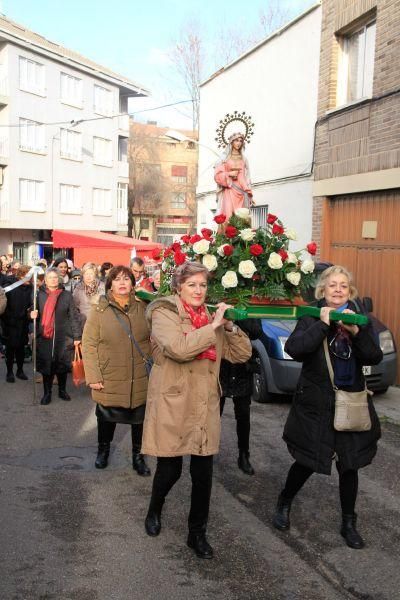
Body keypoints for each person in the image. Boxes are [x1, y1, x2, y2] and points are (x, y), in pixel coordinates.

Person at [142, 261, 252, 559]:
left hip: (205, 404)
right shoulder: (164, 312)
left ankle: (197, 534)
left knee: (203, 474)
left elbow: (242, 354)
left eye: (203, 285)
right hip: (174, 401)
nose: (198, 290)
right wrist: (212, 327)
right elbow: (178, 348)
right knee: (171, 470)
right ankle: (155, 509)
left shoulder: (211, 317)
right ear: (179, 287)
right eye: (192, 285)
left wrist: (229, 326)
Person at [273, 265, 383, 549]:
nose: (337, 289)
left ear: (350, 291)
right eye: (332, 285)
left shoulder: (359, 317)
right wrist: (323, 324)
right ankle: (285, 500)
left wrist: (356, 331)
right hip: (317, 403)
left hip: (351, 402)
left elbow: (374, 355)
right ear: (323, 289)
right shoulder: (311, 316)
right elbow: (294, 349)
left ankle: (349, 523)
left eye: (343, 286)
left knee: (350, 465)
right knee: (308, 460)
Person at [82, 265, 151, 476]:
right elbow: (89, 344)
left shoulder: (144, 307)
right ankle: (103, 451)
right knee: (106, 417)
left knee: (140, 419)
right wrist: (93, 376)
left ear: (133, 283)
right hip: (110, 374)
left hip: (139, 375)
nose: (122, 283)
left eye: (126, 279)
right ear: (109, 284)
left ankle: (138, 457)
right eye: (117, 279)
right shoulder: (99, 310)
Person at [31, 268, 81, 405]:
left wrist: (77, 336)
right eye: (50, 277)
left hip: (63, 335)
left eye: (55, 277)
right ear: (45, 280)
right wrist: (31, 314)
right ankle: (47, 393)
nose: (53, 279)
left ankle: (62, 390)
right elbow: (32, 311)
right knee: (47, 365)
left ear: (58, 279)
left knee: (62, 365)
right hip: (45, 336)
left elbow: (73, 316)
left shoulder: (66, 295)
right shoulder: (38, 295)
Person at [219, 318, 262, 475]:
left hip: (242, 369)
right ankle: (206, 452)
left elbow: (257, 332)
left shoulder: (247, 307)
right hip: (220, 367)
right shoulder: (216, 301)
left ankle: (244, 455)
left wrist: (235, 319)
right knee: (213, 414)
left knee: (243, 416)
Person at [1, 265, 32, 382]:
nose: (30, 279)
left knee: (21, 348)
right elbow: (3, 304)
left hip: (23, 322)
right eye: (27, 276)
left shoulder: (30, 288)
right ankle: (9, 372)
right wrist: (7, 319)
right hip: (10, 323)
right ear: (21, 276)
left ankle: (20, 370)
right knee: (10, 349)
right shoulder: (10, 286)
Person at [214, 133, 253, 221]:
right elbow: (217, 175)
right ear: (231, 142)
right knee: (228, 216)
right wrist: (228, 174)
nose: (238, 143)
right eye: (236, 140)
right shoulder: (224, 158)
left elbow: (245, 176)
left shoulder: (244, 159)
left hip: (241, 191)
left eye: (240, 141)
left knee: (242, 218)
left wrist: (247, 190)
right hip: (229, 189)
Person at [73, 262, 105, 329]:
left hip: (100, 322)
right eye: (86, 274)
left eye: (91, 274)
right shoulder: (78, 288)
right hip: (84, 324)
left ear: (95, 274)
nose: (88, 276)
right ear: (83, 275)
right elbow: (74, 307)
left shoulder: (102, 286)